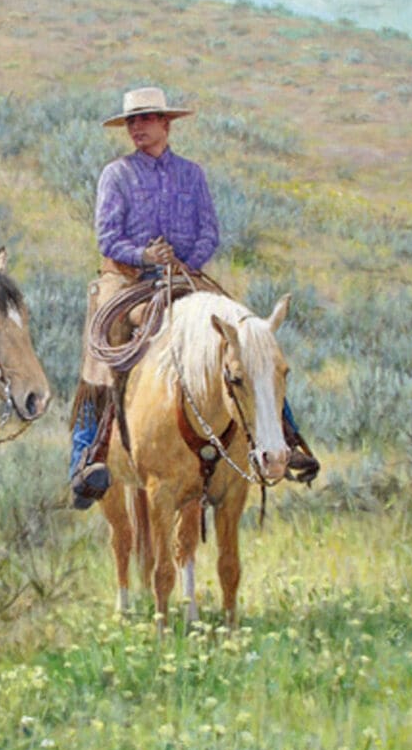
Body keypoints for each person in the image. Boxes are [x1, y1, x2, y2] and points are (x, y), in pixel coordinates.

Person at [68, 86, 319, 508]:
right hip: (127, 279)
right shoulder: (116, 175)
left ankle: (287, 438)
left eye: (146, 119)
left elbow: (209, 232)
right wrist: (144, 255)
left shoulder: (192, 174)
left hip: (185, 276)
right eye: (132, 121)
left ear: (166, 124)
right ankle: (87, 455)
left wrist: (186, 262)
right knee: (105, 339)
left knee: (250, 337)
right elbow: (107, 238)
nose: (137, 128)